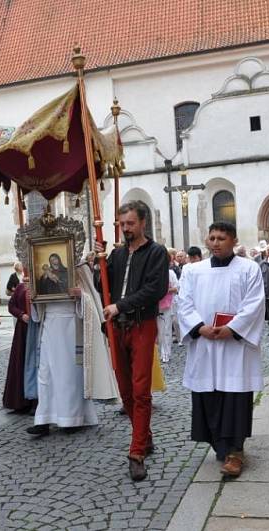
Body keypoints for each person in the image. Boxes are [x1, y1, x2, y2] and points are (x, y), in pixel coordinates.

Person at [178, 222, 266, 477]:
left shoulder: (249, 268)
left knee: (235, 396)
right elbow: (184, 303)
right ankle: (220, 444)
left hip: (234, 347)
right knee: (209, 396)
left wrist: (233, 329)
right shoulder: (192, 270)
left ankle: (235, 451)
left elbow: (254, 304)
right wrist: (199, 327)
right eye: (212, 238)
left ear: (234, 240)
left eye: (222, 238)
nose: (216, 242)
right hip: (205, 343)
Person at [94, 200, 169, 481]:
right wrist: (98, 263)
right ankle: (145, 437)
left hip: (141, 324)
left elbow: (155, 289)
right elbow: (104, 286)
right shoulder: (118, 254)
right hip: (117, 328)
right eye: (122, 224)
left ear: (143, 223)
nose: (125, 229)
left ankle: (136, 452)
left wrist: (120, 306)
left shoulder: (157, 252)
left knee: (140, 389)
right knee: (125, 390)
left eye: (130, 224)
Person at [25, 272, 99, 437]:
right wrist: (34, 298)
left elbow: (93, 300)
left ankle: (71, 419)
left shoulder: (78, 269)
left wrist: (81, 296)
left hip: (70, 327)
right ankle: (43, 420)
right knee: (45, 375)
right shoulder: (42, 275)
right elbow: (37, 314)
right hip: (48, 325)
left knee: (67, 375)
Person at [4, 268, 33, 413]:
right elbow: (11, 305)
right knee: (20, 362)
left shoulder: (42, 286)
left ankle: (35, 401)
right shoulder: (21, 287)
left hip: (37, 328)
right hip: (22, 330)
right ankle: (20, 401)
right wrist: (21, 315)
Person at [157, 266, 179, 363]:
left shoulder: (170, 273)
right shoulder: (150, 271)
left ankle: (166, 353)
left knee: (166, 329)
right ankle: (161, 352)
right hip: (154, 305)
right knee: (159, 331)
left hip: (168, 304)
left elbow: (176, 287)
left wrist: (165, 290)